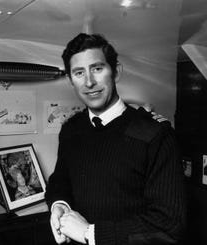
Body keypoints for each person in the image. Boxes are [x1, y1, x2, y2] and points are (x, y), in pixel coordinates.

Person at [44, 33, 185, 245]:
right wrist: (59, 204)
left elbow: (169, 224)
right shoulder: (70, 129)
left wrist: (90, 233)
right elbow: (60, 180)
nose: (89, 82)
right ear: (69, 80)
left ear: (116, 72)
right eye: (79, 72)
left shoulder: (156, 135)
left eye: (98, 69)